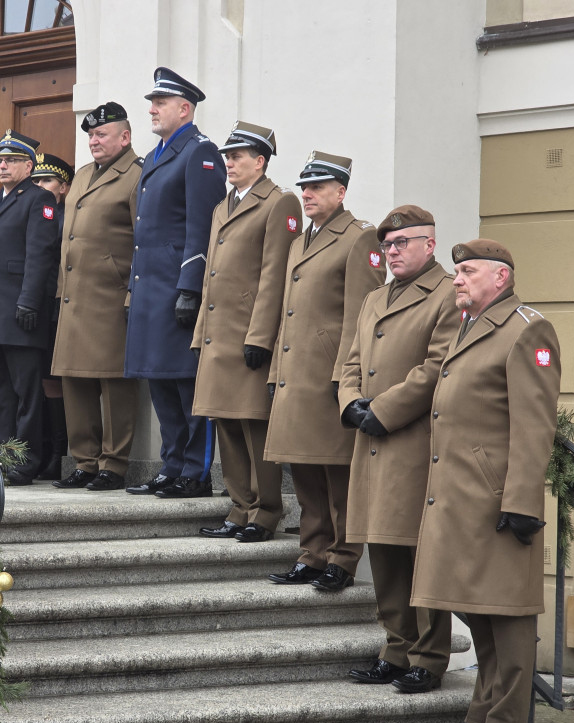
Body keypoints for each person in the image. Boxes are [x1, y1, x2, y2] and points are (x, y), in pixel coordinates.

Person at [414, 240, 559, 723]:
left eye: (468, 271)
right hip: (462, 498)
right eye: (456, 270)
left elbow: (535, 425)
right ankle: (481, 718)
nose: (457, 279)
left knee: (509, 617)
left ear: (500, 277)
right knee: (478, 614)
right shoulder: (470, 324)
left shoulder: (527, 330)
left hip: (498, 500)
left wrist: (522, 501)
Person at [339, 205, 458, 694]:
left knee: (418, 551)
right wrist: (349, 402)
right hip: (370, 441)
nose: (391, 252)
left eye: (402, 243)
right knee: (383, 548)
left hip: (412, 441)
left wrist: (383, 410)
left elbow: (436, 367)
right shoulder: (375, 298)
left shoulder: (448, 292)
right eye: (387, 245)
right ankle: (395, 649)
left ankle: (428, 658)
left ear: (430, 244)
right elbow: (352, 360)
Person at [264, 151, 384, 591]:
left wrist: (344, 379)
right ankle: (312, 554)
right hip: (296, 376)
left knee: (337, 474)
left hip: (330, 379)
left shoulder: (360, 238)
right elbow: (288, 314)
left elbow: (361, 317)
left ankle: (343, 559)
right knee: (305, 471)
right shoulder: (300, 241)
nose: (308, 194)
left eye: (317, 187)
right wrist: (276, 371)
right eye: (305, 187)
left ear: (341, 192)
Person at [193, 122, 301, 539]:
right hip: (218, 335)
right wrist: (200, 333)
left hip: (248, 336)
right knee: (226, 424)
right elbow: (211, 276)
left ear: (260, 161)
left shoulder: (279, 202)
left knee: (254, 424)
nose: (229, 163)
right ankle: (239, 508)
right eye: (227, 156)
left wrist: (260, 337)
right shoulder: (224, 204)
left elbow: (275, 275)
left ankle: (266, 510)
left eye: (237, 156)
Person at [124, 67, 227, 498]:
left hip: (177, 286)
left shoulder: (200, 153)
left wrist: (191, 287)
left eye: (160, 102)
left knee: (186, 381)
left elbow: (202, 226)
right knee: (160, 379)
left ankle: (196, 472)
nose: (152, 109)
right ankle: (171, 465)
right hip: (151, 287)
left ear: (184, 109)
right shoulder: (155, 155)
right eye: (152, 102)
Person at [51, 102, 142, 492]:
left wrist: (133, 293)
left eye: (101, 134)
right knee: (74, 382)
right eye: (90, 135)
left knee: (114, 382)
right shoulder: (84, 174)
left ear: (125, 137)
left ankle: (114, 464)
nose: (93, 141)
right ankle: (84, 462)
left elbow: (142, 241)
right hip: (74, 296)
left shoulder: (137, 175)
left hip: (111, 295)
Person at [0, 130, 59, 485]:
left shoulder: (39, 199)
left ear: (28, 166)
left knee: (25, 393)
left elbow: (40, 255)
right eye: (0, 161)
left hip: (21, 312)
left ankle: (25, 460)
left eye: (12, 160)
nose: (3, 166)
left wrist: (29, 301)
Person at [30, 152, 74, 481]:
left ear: (64, 187)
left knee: (59, 379)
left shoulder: (67, 216)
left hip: (62, 303)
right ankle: (47, 448)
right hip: (38, 304)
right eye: (36, 180)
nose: (40, 186)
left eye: (47, 180)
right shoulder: (35, 212)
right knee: (42, 378)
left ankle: (61, 452)